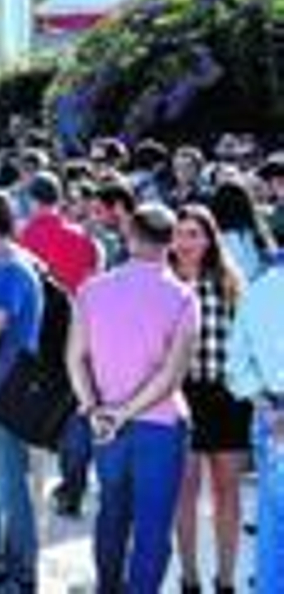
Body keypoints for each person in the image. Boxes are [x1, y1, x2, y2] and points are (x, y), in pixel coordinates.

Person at [67, 204, 198, 594]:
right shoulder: (183, 297)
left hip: (106, 422)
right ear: (171, 242)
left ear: (130, 236)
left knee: (111, 516)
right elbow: (171, 377)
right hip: (159, 426)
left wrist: (95, 409)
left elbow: (75, 357)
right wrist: (123, 413)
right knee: (153, 527)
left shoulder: (92, 289)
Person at [170, 205, 249, 594]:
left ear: (209, 238)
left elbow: (247, 339)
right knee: (184, 490)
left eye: (194, 234)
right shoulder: (164, 280)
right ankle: (189, 579)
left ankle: (226, 580)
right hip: (179, 393)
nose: (185, 242)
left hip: (227, 395)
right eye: (180, 233)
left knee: (227, 490)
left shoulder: (230, 280)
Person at [0, 191, 45, 593]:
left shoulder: (8, 268)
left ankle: (20, 572)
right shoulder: (6, 261)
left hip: (3, 389)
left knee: (9, 482)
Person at [224, 262, 284, 594]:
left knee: (273, 537)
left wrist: (268, 409)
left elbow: (236, 370)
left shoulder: (259, 289)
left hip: (271, 419)